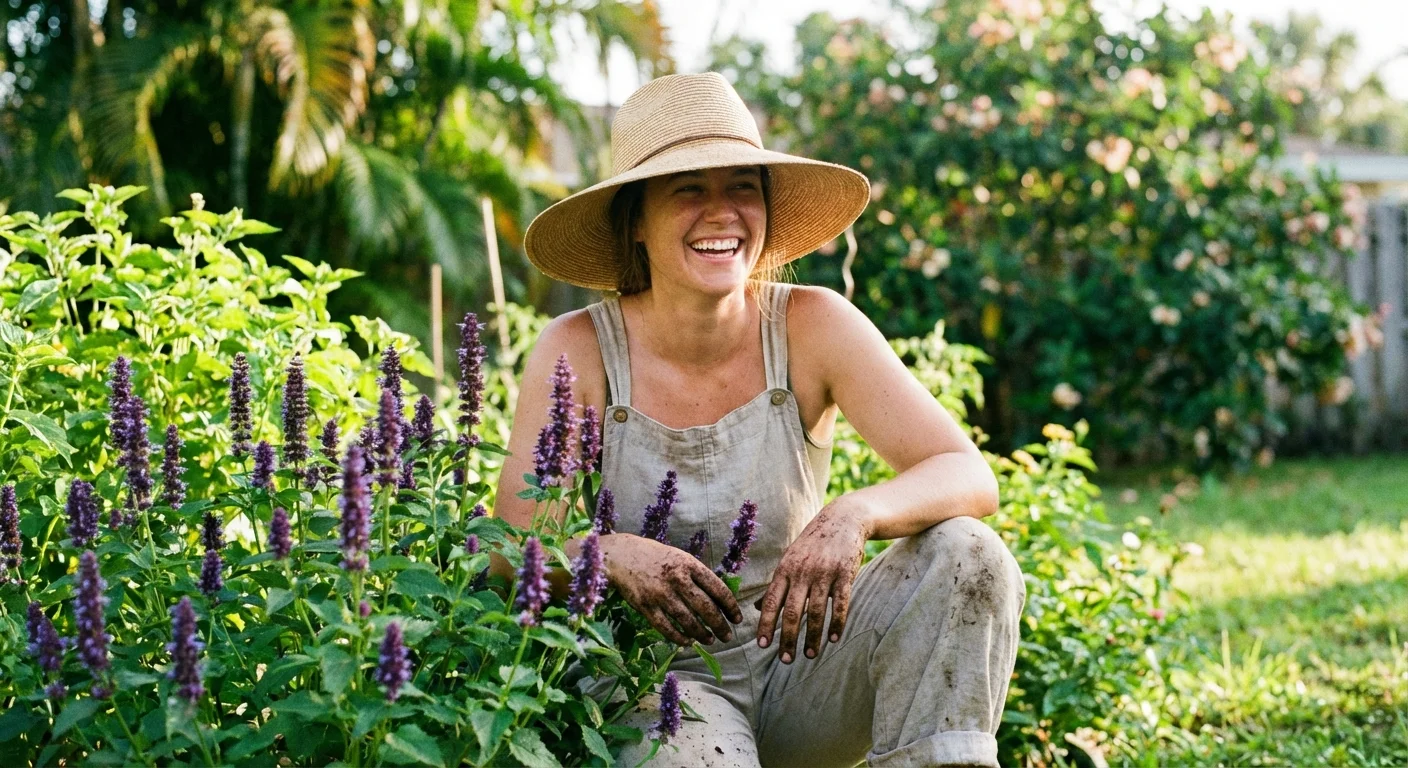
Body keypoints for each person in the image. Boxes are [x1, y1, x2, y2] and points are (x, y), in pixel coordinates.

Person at [493, 72, 1025, 768]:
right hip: (656, 684)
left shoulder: (812, 324)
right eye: (689, 190)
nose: (723, 213)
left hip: (803, 662)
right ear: (636, 222)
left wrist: (853, 514)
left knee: (969, 555)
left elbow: (964, 473)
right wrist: (614, 553)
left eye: (743, 186)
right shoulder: (578, 350)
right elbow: (508, 552)